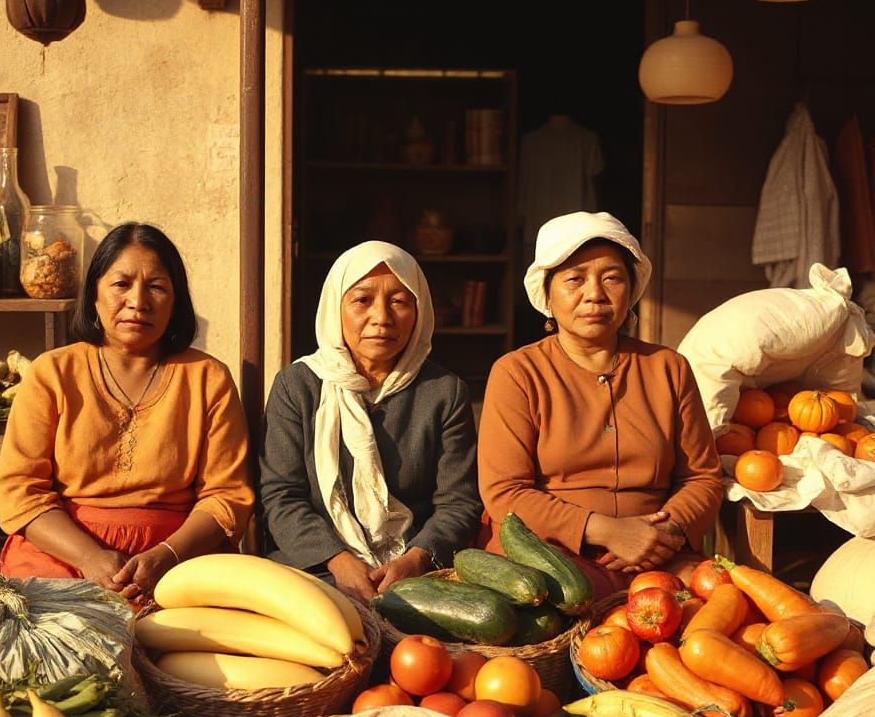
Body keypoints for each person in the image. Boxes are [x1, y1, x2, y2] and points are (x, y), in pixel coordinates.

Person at [0, 222, 254, 605]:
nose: (138, 301)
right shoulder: (52, 373)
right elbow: (21, 492)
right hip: (62, 554)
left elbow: (226, 497)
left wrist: (166, 556)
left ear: (176, 302)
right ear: (95, 294)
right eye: (121, 284)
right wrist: (88, 557)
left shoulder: (208, 378)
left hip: (178, 558)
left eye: (157, 287)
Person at [479, 211, 722, 578]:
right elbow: (505, 491)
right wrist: (609, 531)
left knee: (725, 612)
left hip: (659, 555)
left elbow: (702, 478)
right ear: (547, 293)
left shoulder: (668, 368)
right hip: (546, 559)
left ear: (631, 290)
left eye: (612, 278)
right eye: (574, 279)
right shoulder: (517, 373)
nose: (594, 294)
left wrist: (663, 533)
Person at [259, 240, 483, 604]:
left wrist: (416, 558)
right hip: (314, 569)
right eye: (362, 300)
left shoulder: (443, 392)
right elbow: (280, 496)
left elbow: (458, 503)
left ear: (420, 310)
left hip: (417, 573)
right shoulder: (297, 386)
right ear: (336, 307)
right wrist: (338, 560)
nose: (382, 317)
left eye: (399, 301)